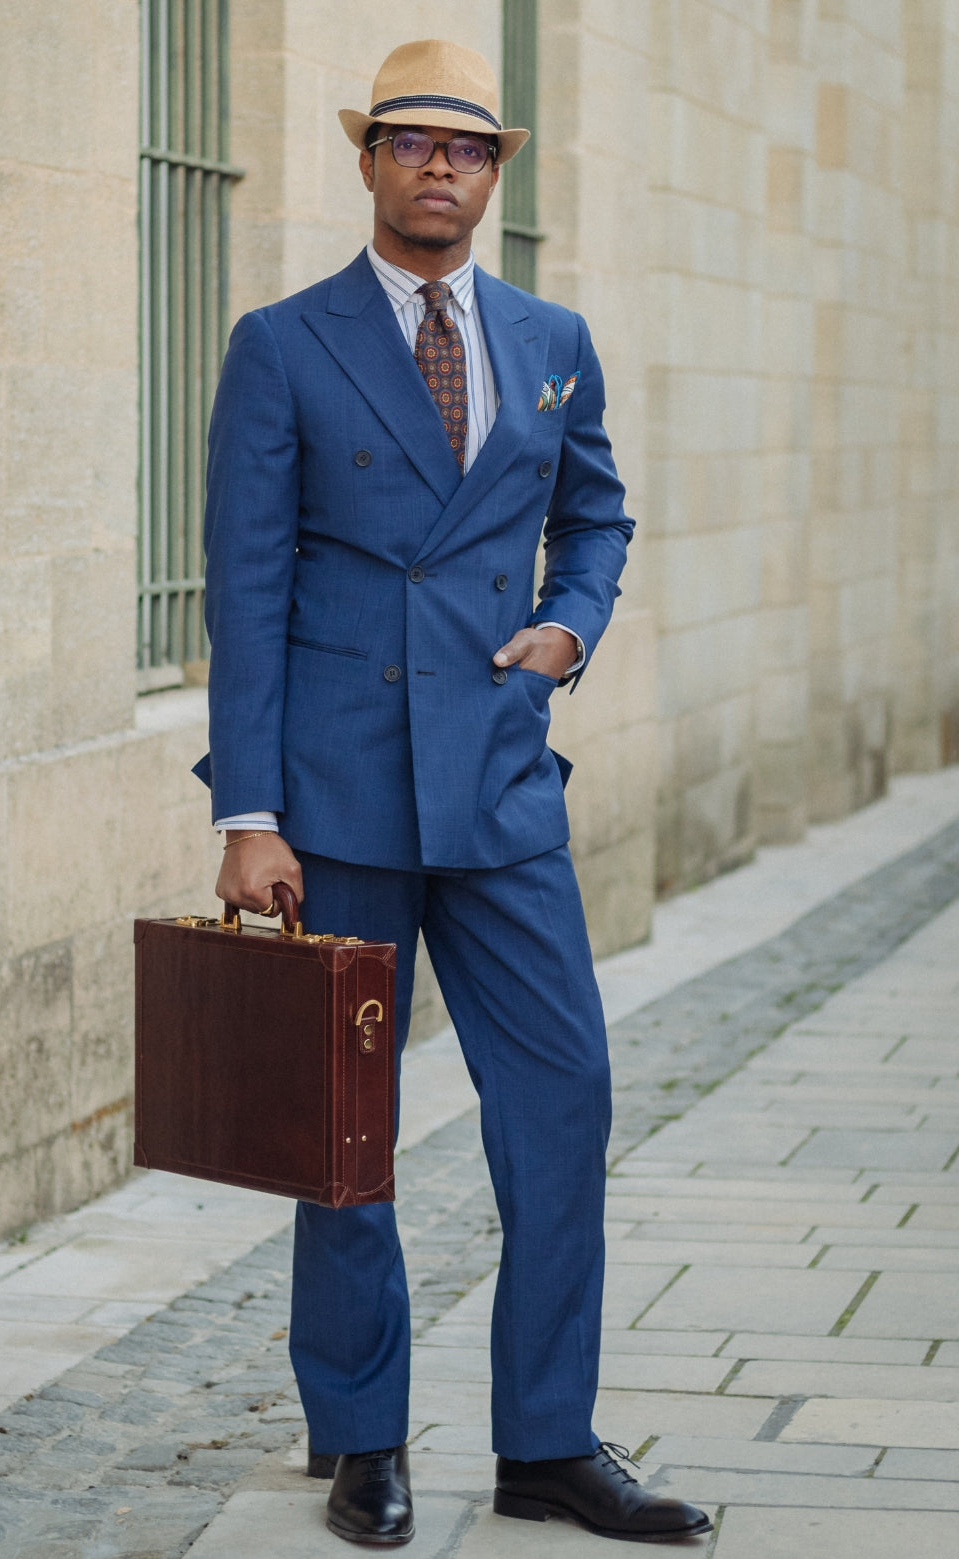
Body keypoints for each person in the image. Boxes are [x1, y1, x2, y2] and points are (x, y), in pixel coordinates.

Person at [194, 37, 710, 1549]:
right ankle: (362, 1436)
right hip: (337, 795)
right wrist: (248, 814)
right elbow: (247, 584)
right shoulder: (281, 344)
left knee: (564, 1098)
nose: (441, 167)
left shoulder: (553, 337)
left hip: (498, 784)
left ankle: (546, 1442)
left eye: (469, 148)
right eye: (413, 142)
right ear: (367, 160)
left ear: (496, 175)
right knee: (343, 1131)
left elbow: (597, 514)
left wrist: (572, 627)